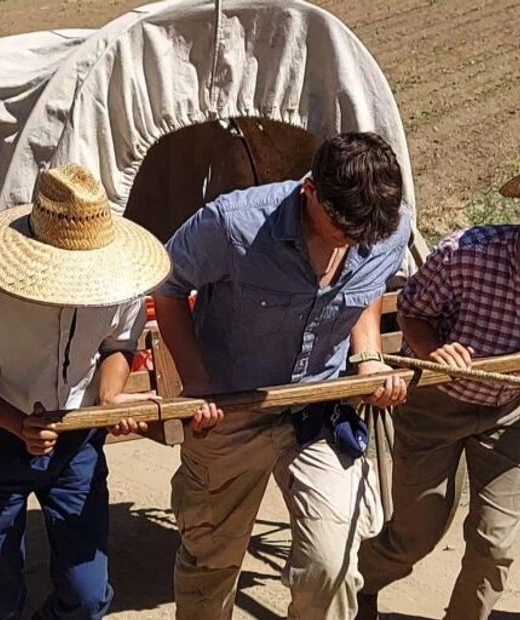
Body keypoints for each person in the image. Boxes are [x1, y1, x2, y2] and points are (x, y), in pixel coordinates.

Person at [155, 132, 411, 620]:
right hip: (231, 411)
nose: (356, 243)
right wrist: (197, 381)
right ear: (311, 192)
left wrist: (369, 356)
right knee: (210, 565)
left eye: (367, 237)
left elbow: (367, 287)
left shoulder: (387, 227)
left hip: (320, 408)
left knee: (331, 566)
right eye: (344, 231)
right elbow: (167, 289)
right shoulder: (233, 225)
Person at [0, 163, 180, 620]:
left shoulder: (118, 287)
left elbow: (118, 343)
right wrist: (17, 423)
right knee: (1, 601)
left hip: (77, 446)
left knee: (87, 598)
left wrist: (109, 399)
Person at [358, 138, 520, 619]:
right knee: (416, 534)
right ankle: (357, 582)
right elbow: (411, 312)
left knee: (495, 546)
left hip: (512, 412)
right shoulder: (469, 254)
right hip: (436, 407)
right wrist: (435, 350)